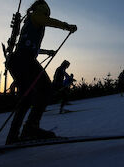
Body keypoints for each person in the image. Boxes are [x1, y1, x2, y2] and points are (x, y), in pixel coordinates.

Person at [6, 0, 77, 144]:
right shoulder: (37, 15)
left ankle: (14, 135)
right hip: (24, 60)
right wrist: (66, 26)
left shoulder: (31, 20)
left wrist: (47, 52)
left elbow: (29, 45)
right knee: (45, 88)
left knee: (27, 97)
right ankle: (30, 128)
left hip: (19, 60)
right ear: (44, 8)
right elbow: (48, 21)